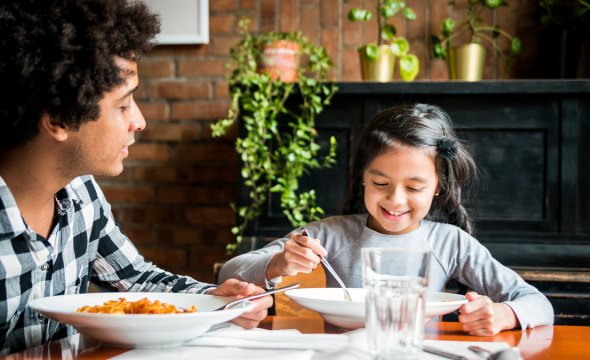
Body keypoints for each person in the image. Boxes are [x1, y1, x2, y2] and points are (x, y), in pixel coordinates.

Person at [0, 0, 271, 355]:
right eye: (124, 105)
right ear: (59, 119)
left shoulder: (82, 195)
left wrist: (212, 298)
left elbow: (136, 279)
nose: (139, 121)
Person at [219, 103, 554, 336]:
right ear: (362, 178)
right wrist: (278, 263)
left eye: (414, 187)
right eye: (380, 183)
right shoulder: (331, 234)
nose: (395, 199)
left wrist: (503, 314)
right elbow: (229, 271)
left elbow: (537, 303)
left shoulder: (449, 243)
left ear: (438, 187)